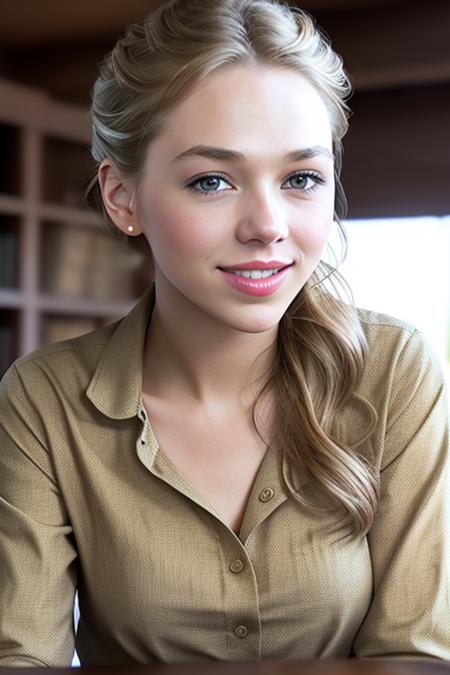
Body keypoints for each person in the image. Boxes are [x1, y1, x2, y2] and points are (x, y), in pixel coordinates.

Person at [0, 0, 449, 667]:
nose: (268, 225)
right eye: (212, 180)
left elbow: (417, 655)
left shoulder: (395, 370)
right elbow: (22, 659)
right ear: (123, 197)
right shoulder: (44, 399)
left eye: (301, 178)